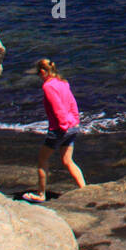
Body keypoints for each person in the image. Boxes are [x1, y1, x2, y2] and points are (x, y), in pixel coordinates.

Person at [22, 59, 86, 202]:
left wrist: (63, 126)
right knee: (67, 160)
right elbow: (72, 103)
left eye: (39, 73)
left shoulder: (48, 86)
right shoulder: (63, 82)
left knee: (42, 160)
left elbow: (58, 109)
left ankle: (41, 195)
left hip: (60, 129)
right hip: (73, 126)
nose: (39, 76)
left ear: (44, 72)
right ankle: (84, 189)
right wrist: (74, 121)